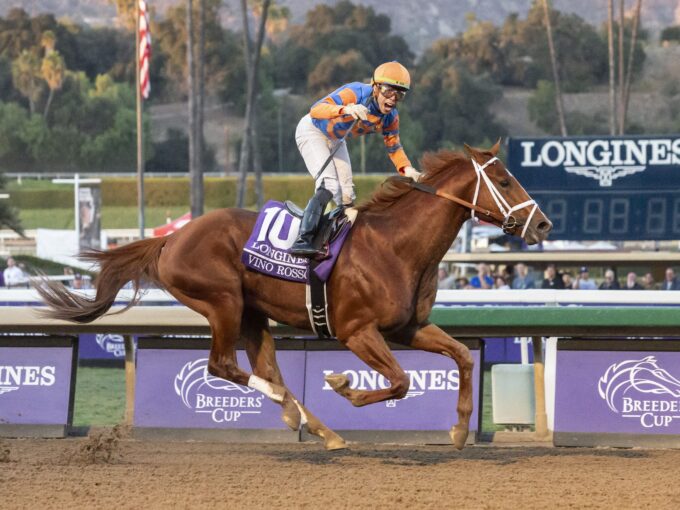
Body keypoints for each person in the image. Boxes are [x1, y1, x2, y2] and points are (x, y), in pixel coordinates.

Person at [290, 61, 419, 256]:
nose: (392, 98)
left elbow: (394, 147)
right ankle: (303, 239)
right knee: (329, 185)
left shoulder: (391, 117)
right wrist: (346, 109)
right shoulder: (355, 92)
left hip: (336, 139)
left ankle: (337, 243)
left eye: (399, 94)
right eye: (387, 91)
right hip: (313, 130)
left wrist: (409, 170)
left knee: (347, 195)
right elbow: (316, 109)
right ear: (375, 87)